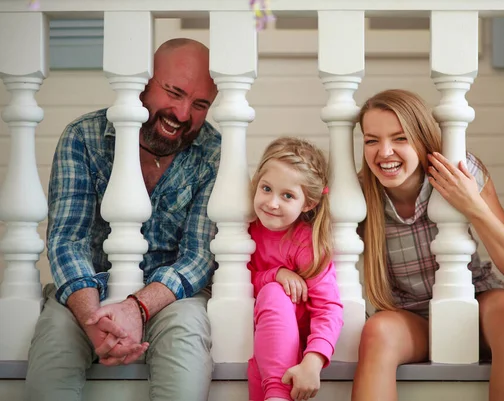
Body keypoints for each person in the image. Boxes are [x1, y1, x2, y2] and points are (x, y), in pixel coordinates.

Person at [25, 38, 220, 401]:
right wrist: (92, 318)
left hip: (172, 300)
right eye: (173, 92)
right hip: (86, 293)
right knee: (50, 368)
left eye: (199, 104)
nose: (181, 113)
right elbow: (68, 240)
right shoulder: (84, 136)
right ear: (145, 81)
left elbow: (198, 257)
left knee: (185, 370)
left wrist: (137, 307)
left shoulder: (211, 151)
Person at [351, 89, 504, 401]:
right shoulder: (358, 193)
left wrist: (473, 205)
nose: (384, 152)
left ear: (422, 140)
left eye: (400, 138)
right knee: (377, 331)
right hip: (410, 316)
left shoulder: (461, 172)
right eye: (372, 140)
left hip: (475, 303)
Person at [246, 137, 344, 401]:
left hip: (290, 357)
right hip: (257, 349)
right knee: (273, 289)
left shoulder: (305, 243)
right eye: (266, 189)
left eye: (287, 195)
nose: (272, 203)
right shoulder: (244, 233)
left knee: (275, 294)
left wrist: (313, 362)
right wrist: (275, 274)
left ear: (309, 203)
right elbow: (239, 283)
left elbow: (328, 307)